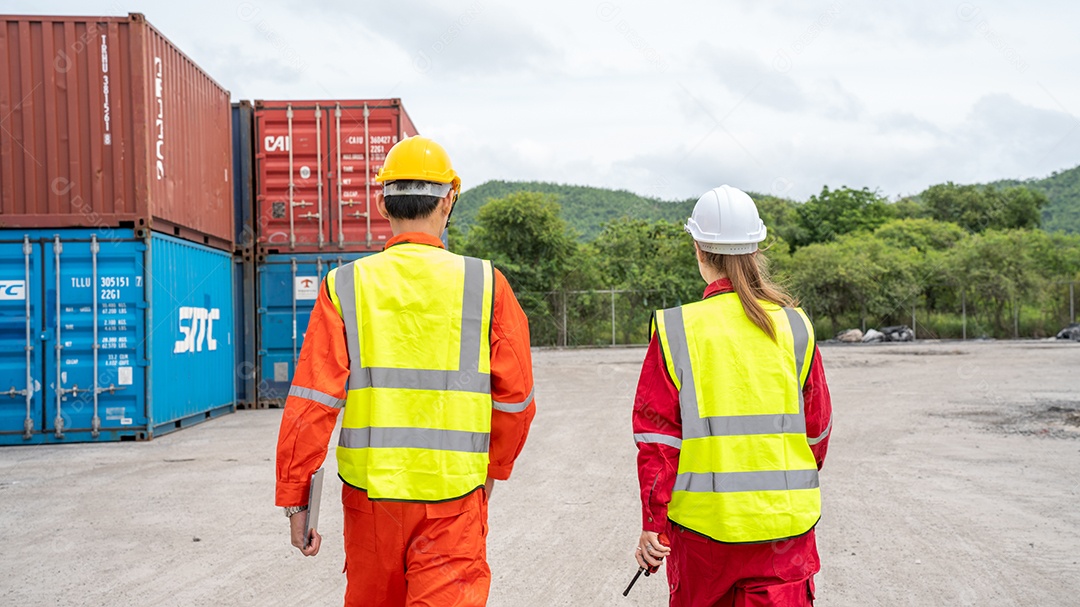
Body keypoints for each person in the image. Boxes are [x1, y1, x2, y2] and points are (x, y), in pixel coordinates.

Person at [275, 136, 536, 607]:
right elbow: (516, 400)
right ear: (449, 199)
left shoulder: (345, 285)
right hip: (453, 496)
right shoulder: (486, 284)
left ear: (381, 202)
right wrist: (493, 470)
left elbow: (312, 402)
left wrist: (297, 498)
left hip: (370, 499)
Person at [631, 185, 833, 606]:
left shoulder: (676, 330)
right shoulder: (795, 327)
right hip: (784, 536)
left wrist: (655, 523)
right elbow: (816, 434)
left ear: (698, 250)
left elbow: (659, 442)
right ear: (756, 249)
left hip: (703, 538)